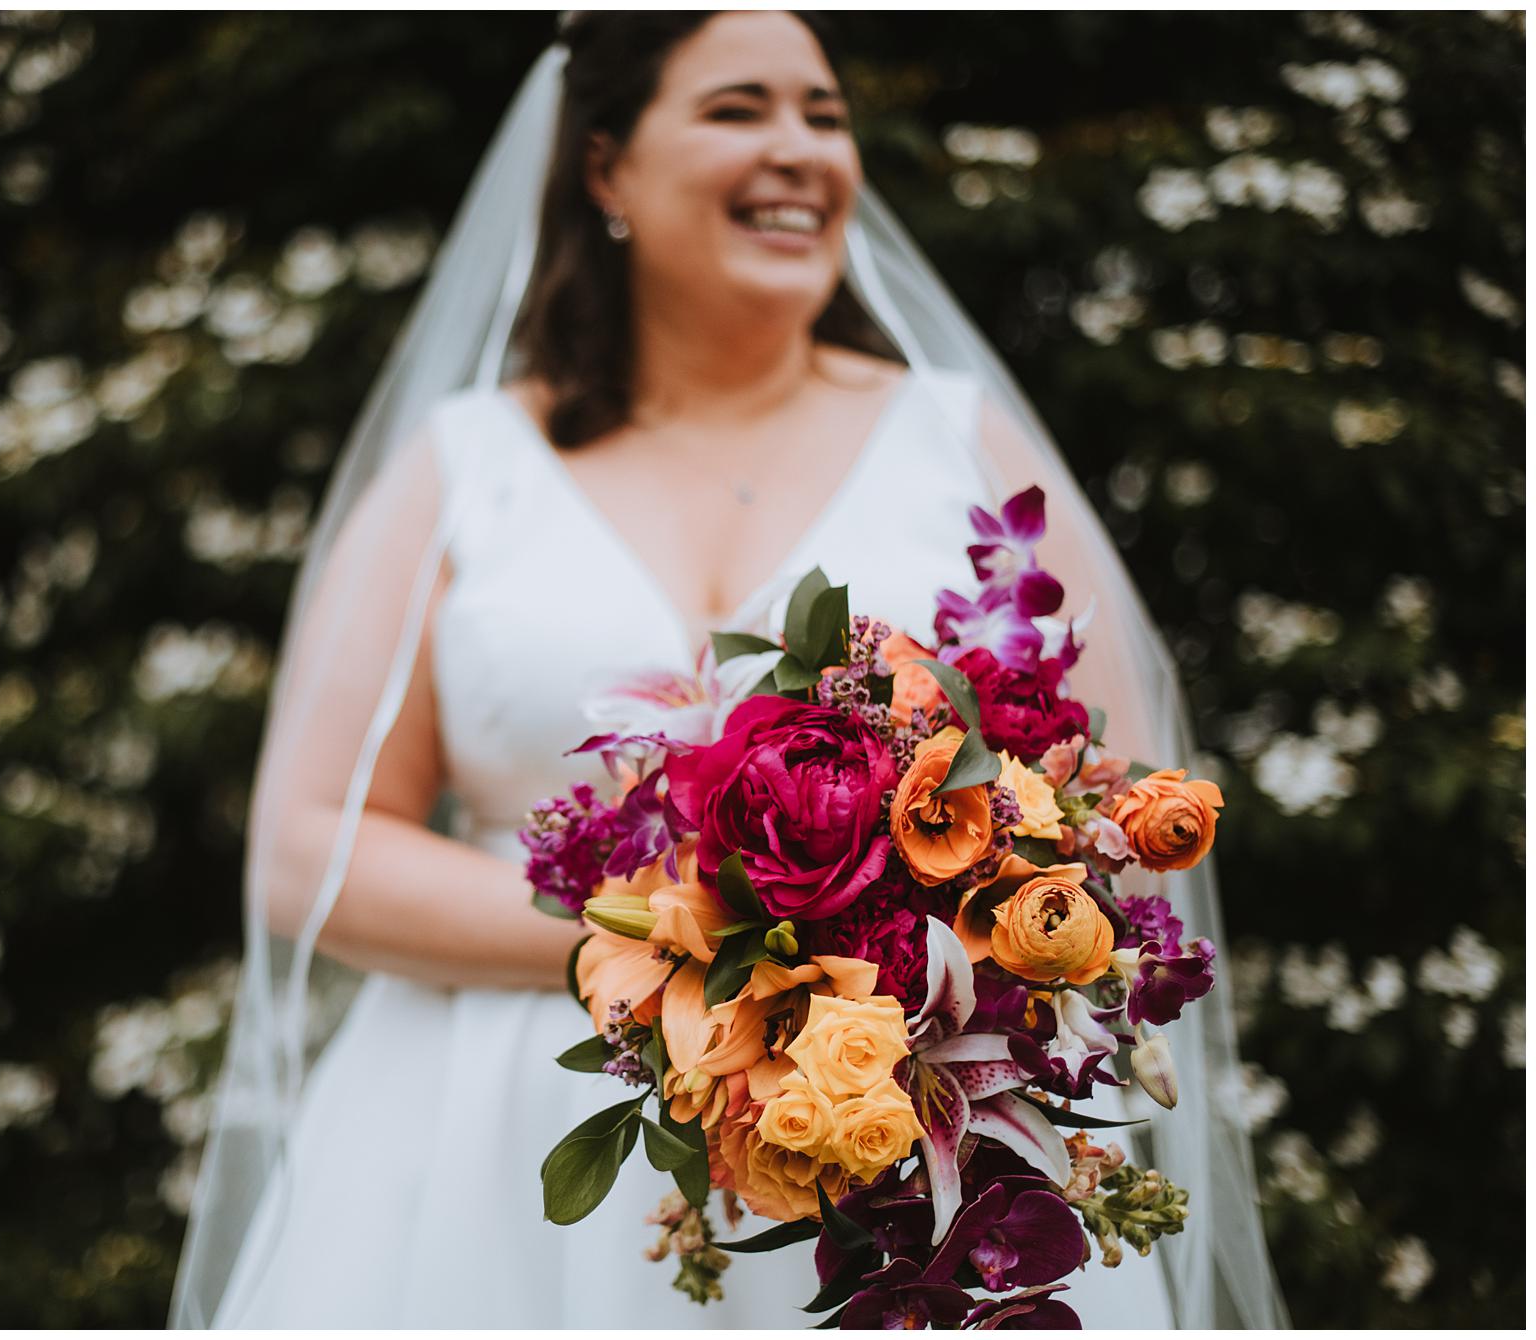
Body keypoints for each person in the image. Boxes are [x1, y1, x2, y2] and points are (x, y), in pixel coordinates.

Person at [171, 11, 1287, 1329]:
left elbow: (1118, 801)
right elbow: (311, 847)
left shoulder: (958, 443)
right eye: (737, 108)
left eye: (824, 114)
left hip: (895, 1135)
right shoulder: (464, 469)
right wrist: (693, 942)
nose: (798, 150)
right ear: (606, 166)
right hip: (487, 1137)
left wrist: (909, 927)